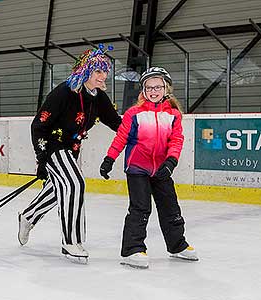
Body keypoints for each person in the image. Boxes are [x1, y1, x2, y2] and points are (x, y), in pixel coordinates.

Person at [17, 45, 122, 262]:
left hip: (72, 150)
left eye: (105, 72)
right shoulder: (64, 92)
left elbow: (116, 123)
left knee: (59, 189)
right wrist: (42, 157)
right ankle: (71, 241)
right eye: (99, 72)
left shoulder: (98, 97)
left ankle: (28, 216)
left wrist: (138, 133)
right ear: (85, 71)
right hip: (52, 146)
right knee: (75, 184)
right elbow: (38, 125)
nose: (104, 77)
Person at [99, 66, 198, 269]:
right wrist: (109, 159)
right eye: (149, 87)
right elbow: (121, 138)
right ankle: (132, 249)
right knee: (141, 207)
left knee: (170, 207)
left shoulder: (173, 114)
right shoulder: (134, 113)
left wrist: (171, 162)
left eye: (158, 87)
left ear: (166, 89)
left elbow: (176, 140)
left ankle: (177, 245)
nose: (154, 91)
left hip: (162, 168)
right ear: (143, 91)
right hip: (137, 167)